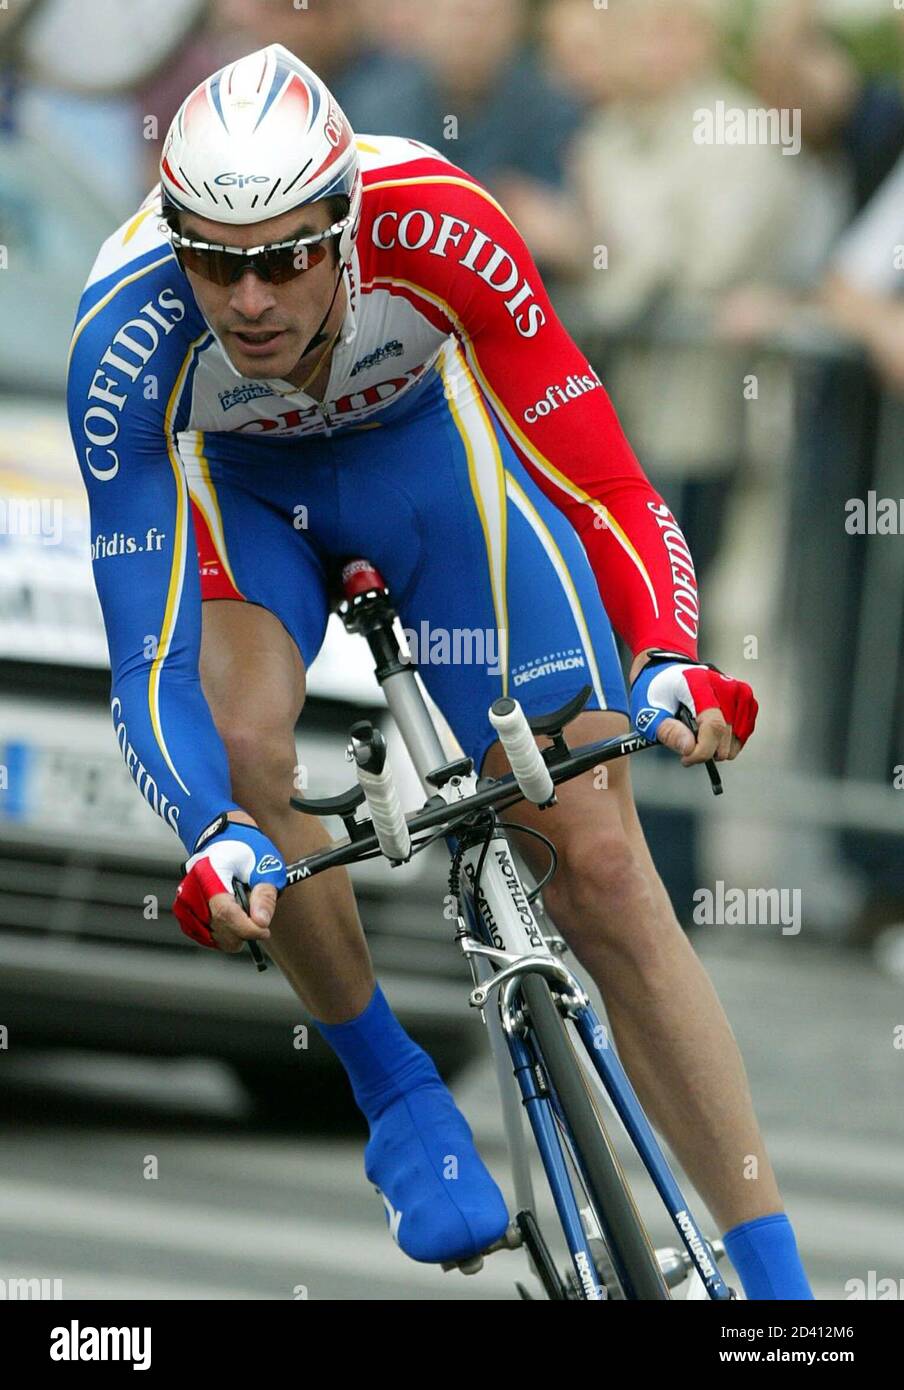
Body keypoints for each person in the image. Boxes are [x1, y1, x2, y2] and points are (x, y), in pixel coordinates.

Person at [67, 43, 810, 1297]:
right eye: (213, 261)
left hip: (424, 462)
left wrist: (669, 656)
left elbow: (605, 483)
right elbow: (147, 654)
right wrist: (208, 831)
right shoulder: (124, 333)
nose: (247, 298)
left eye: (286, 258)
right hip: (244, 499)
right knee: (243, 746)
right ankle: (394, 1086)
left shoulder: (440, 221)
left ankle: (779, 1294)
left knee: (603, 862)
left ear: (346, 224)